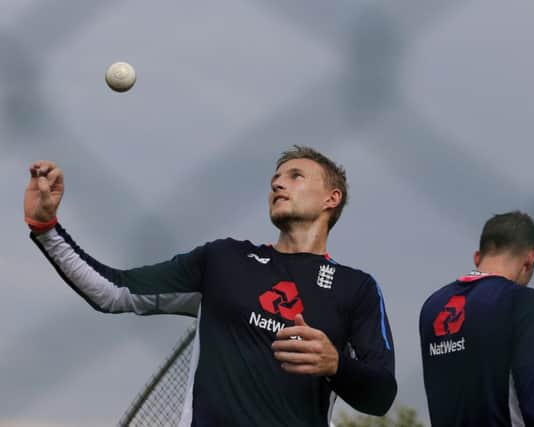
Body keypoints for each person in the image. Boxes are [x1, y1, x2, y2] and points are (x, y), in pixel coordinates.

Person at [24, 146, 397, 427]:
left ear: (332, 198)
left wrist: (336, 365)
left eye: (295, 176)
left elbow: (380, 395)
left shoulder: (357, 288)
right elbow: (114, 292)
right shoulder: (223, 260)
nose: (278, 184)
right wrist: (46, 228)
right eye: (275, 180)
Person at [419, 211, 534, 427]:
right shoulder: (523, 301)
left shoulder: (432, 306)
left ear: (478, 256)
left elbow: (472, 389)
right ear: (531, 257)